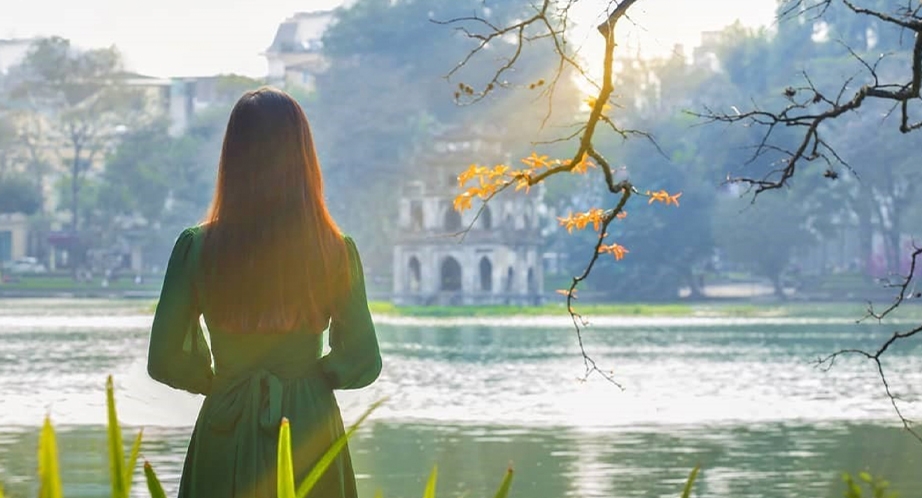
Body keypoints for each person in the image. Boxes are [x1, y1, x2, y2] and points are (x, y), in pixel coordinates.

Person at [148, 87, 382, 498]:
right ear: (303, 157)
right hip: (309, 425)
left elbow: (164, 358)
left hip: (226, 420)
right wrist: (312, 377)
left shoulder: (196, 248)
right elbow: (364, 360)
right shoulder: (334, 251)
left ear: (232, 158)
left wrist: (221, 382)